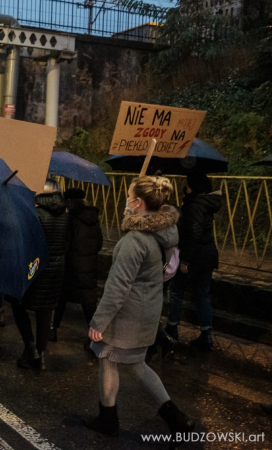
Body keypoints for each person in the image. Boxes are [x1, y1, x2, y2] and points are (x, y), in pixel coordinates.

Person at [84, 176, 194, 443]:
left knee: (110, 359)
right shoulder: (165, 234)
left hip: (127, 315)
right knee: (135, 365)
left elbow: (117, 287)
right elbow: (165, 272)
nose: (126, 201)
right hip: (148, 309)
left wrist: (98, 322)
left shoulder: (135, 241)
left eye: (129, 196)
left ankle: (110, 419)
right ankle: (175, 419)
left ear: (139, 203)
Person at [12, 179, 69, 372]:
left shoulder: (34, 214)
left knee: (18, 305)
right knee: (45, 311)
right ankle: (41, 355)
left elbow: (26, 244)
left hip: (34, 268)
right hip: (57, 271)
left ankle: (30, 349)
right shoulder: (64, 216)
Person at [165, 171, 222, 352]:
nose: (185, 187)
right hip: (208, 254)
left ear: (194, 188)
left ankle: (172, 328)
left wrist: (186, 261)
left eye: (188, 185)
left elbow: (194, 233)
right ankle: (206, 334)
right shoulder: (206, 204)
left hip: (194, 257)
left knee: (176, 291)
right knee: (202, 294)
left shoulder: (194, 205)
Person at [53, 188, 103, 345]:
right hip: (89, 266)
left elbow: (65, 243)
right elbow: (99, 243)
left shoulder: (70, 219)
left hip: (71, 266)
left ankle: (52, 329)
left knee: (60, 298)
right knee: (88, 302)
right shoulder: (93, 218)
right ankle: (95, 337)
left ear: (69, 202)